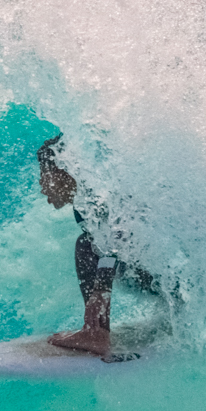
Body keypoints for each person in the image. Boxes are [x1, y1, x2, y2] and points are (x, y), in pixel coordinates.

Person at [37, 135, 154, 358]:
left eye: (44, 175)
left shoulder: (96, 198)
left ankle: (95, 332)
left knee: (86, 245)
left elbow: (117, 238)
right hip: (175, 287)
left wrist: (101, 289)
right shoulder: (91, 198)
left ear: (63, 172)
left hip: (169, 281)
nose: (43, 187)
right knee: (91, 243)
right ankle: (96, 330)